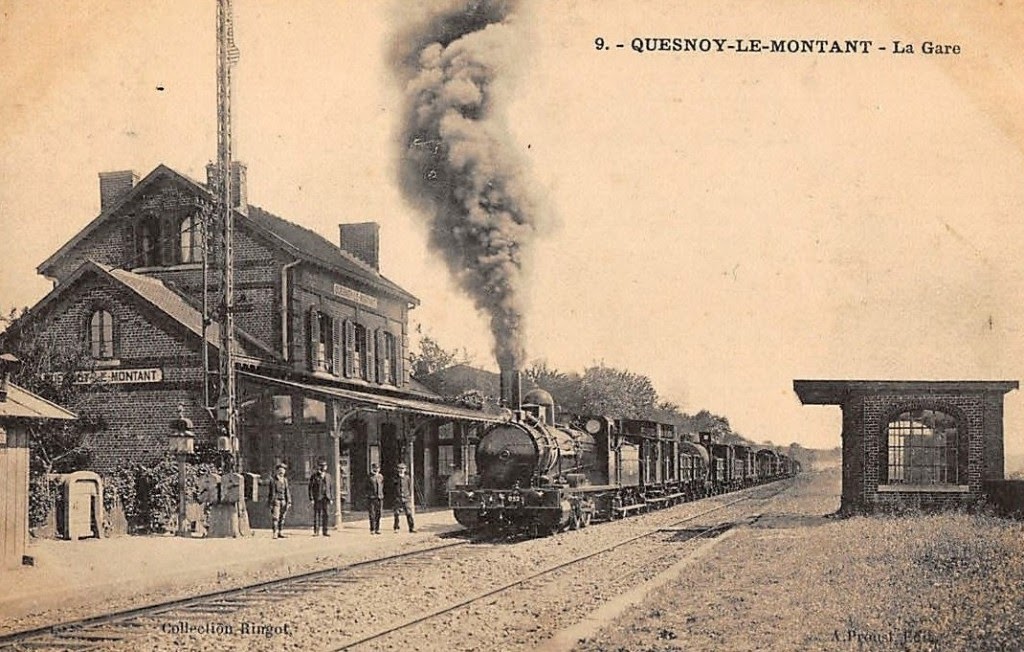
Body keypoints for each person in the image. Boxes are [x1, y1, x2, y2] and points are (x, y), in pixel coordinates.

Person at [308, 459, 333, 537]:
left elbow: (330, 487)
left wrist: (331, 498)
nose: (324, 467)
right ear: (319, 467)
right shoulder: (314, 476)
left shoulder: (328, 476)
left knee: (326, 514)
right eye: (322, 466)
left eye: (325, 466)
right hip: (318, 498)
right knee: (317, 514)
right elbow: (310, 488)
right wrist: (311, 498)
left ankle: (325, 531)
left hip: (326, 498)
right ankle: (316, 531)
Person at [267, 463, 291, 539]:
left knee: (282, 517)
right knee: (275, 517)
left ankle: (280, 532)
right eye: (280, 470)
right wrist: (271, 502)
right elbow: (272, 492)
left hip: (283, 500)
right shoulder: (273, 480)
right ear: (277, 471)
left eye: (283, 470)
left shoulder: (285, 480)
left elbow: (287, 491)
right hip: (276, 500)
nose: (282, 472)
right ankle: (275, 533)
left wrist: (289, 501)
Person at [393, 462, 415, 533]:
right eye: (400, 469)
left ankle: (411, 528)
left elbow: (409, 487)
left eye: (403, 469)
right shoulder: (395, 478)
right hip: (398, 498)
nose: (401, 470)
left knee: (409, 513)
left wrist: (409, 496)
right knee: (396, 513)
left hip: (406, 498)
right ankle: (396, 527)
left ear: (405, 469)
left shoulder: (407, 478)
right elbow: (392, 488)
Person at [367, 463, 384, 535]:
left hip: (379, 497)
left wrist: (381, 494)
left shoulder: (380, 477)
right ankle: (372, 529)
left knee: (379, 513)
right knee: (372, 514)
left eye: (377, 468)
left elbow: (382, 486)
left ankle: (377, 528)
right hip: (372, 497)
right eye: (375, 468)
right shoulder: (369, 477)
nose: (376, 469)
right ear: (372, 468)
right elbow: (366, 487)